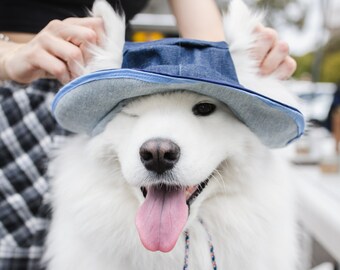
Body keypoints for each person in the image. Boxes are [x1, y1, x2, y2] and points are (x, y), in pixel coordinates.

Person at [0, 0, 296, 269]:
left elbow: (206, 51)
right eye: (135, 110)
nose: (159, 149)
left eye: (204, 108)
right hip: (20, 107)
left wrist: (243, 62)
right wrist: (11, 54)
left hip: (115, 76)